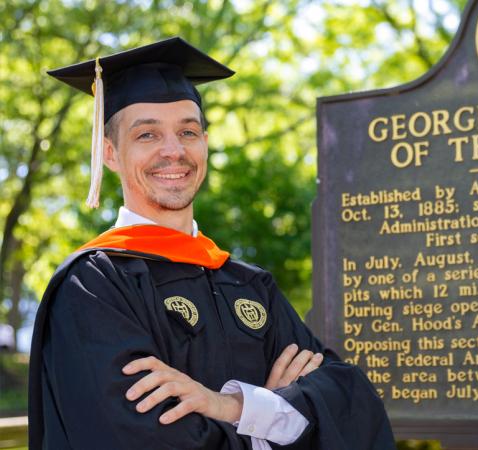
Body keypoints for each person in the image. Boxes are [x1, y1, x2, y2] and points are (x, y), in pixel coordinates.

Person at [28, 37, 395, 450]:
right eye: (147, 135)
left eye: (188, 131)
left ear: (204, 141)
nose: (174, 150)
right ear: (110, 153)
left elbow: (351, 401)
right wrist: (274, 417)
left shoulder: (248, 284)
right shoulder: (94, 287)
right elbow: (137, 438)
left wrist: (234, 407)